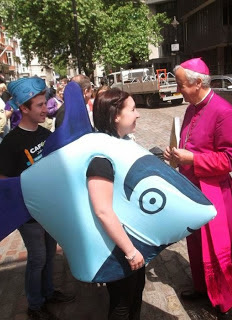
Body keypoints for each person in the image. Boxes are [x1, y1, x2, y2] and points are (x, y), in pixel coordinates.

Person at [163, 58, 232, 319]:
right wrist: (174, 154)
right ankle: (203, 288)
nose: (178, 89)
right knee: (196, 244)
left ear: (197, 83)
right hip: (191, 188)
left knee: (219, 248)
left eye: (181, 84)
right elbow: (188, 143)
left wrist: (193, 159)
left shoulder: (223, 111)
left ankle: (224, 299)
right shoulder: (190, 108)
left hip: (215, 192)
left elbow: (231, 159)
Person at [0, 77, 74, 320]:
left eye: (45, 103)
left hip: (49, 208)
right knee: (38, 257)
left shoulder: (44, 133)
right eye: (39, 105)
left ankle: (49, 292)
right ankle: (35, 304)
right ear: (24, 109)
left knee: (50, 253)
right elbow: (2, 181)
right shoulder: (10, 143)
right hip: (27, 212)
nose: (46, 109)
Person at [87, 88, 144, 319]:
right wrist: (130, 252)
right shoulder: (102, 157)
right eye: (132, 109)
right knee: (122, 303)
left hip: (127, 236)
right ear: (116, 116)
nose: (138, 114)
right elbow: (102, 210)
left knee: (135, 294)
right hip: (117, 244)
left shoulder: (122, 144)